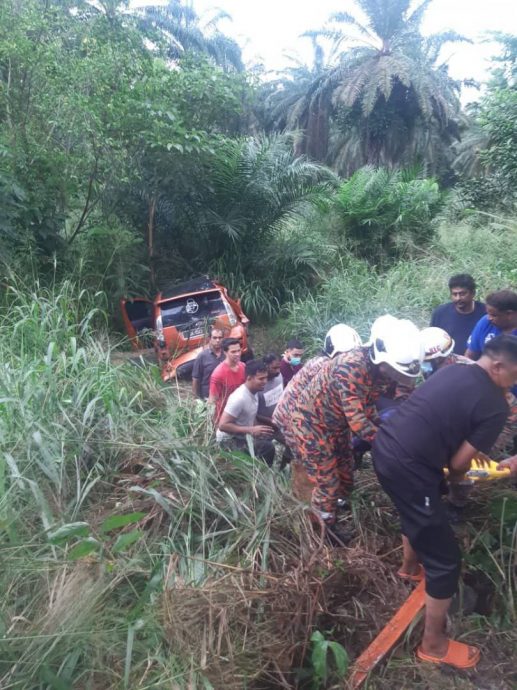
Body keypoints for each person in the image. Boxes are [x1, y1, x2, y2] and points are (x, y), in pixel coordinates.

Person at [372, 335, 517, 670]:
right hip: (411, 467)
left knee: (419, 508)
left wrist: (479, 469)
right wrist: (495, 472)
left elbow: (444, 436)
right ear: (498, 367)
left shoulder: (453, 370)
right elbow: (457, 467)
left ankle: (409, 569)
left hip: (386, 450)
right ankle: (433, 646)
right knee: (446, 560)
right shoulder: (496, 406)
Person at [278, 317, 422, 540]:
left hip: (336, 424)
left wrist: (385, 427)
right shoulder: (351, 367)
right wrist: (388, 441)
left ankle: (335, 507)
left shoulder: (379, 371)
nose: (394, 376)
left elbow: (368, 406)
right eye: (393, 370)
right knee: (327, 482)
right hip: (311, 425)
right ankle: (323, 531)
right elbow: (357, 421)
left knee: (346, 474)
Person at [216, 359, 275, 465]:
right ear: (249, 378)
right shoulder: (239, 398)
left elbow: (250, 415)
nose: (265, 381)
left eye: (266, 378)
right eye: (261, 379)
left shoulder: (255, 392)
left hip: (243, 435)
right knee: (268, 448)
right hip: (229, 440)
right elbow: (223, 425)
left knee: (269, 436)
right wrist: (251, 430)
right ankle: (259, 474)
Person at [466, 289, 517, 396]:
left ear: (509, 314)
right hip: (485, 389)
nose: (489, 318)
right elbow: (469, 356)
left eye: (494, 315)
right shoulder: (485, 323)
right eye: (488, 314)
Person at [430, 274, 486, 355]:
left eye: (462, 294)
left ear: (473, 293)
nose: (458, 298)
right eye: (454, 294)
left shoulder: (486, 314)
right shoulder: (440, 313)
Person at [208, 337, 245, 423]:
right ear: (225, 352)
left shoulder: (243, 367)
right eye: (233, 352)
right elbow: (212, 401)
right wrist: (216, 424)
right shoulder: (218, 374)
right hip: (224, 418)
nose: (237, 354)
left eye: (239, 350)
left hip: (240, 414)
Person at [191, 328, 224, 399]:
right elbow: (195, 378)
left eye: (220, 338)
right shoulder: (202, 356)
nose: (217, 340)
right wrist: (195, 398)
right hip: (207, 396)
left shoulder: (226, 354)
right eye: (214, 338)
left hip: (223, 394)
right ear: (209, 339)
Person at [256, 353, 284, 425]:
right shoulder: (258, 386)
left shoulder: (279, 376)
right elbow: (254, 413)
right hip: (265, 427)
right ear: (266, 366)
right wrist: (272, 422)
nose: (278, 371)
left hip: (281, 422)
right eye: (274, 368)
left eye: (279, 367)